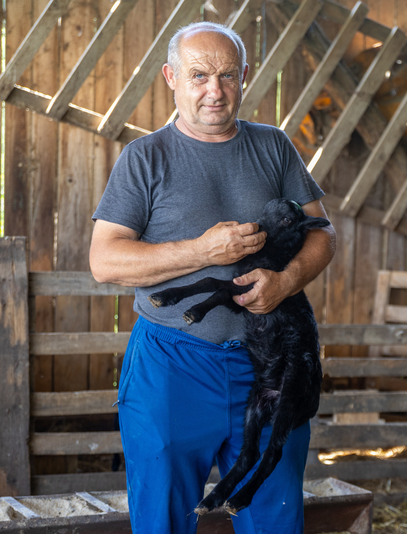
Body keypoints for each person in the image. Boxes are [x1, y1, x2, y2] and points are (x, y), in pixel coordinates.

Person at [89, 21, 336, 534]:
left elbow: (323, 234)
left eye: (227, 76)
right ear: (170, 77)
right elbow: (106, 261)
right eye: (198, 76)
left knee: (274, 516)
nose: (214, 91)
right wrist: (202, 250)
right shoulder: (144, 158)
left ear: (245, 75)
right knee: (163, 520)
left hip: (267, 365)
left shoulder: (273, 147)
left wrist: (287, 282)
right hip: (172, 367)